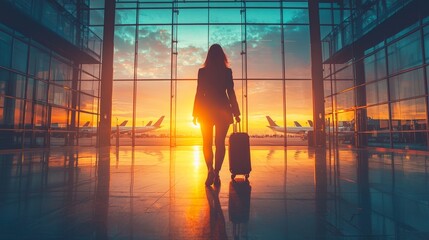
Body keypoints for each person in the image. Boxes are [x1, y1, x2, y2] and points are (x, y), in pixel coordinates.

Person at [193, 44, 241, 186]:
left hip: (206, 110)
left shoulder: (202, 72)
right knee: (220, 143)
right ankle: (217, 173)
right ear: (222, 56)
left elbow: (199, 93)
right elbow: (230, 92)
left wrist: (195, 113)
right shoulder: (227, 72)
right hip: (223, 111)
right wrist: (236, 112)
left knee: (206, 143)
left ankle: (210, 170)